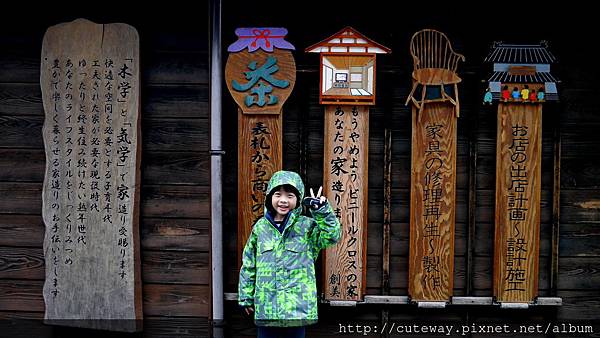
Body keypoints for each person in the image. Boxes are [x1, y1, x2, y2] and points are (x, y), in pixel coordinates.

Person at [238, 170, 341, 338]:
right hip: (267, 308)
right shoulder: (260, 228)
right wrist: (246, 297)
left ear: (298, 200)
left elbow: (331, 237)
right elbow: (249, 264)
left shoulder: (307, 227)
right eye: (278, 194)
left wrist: (321, 210)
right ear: (269, 198)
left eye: (290, 195)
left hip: (297, 311)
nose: (283, 200)